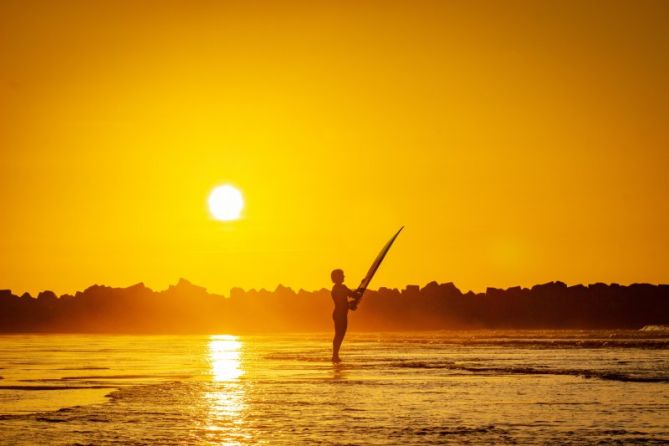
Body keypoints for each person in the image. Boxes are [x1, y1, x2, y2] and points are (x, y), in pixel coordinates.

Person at [330, 269, 361, 363]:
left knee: (339, 335)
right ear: (337, 277)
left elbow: (352, 294)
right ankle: (335, 356)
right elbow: (352, 296)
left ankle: (335, 355)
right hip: (340, 314)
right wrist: (351, 305)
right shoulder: (339, 288)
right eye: (342, 275)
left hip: (340, 313)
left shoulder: (338, 288)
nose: (344, 276)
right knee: (339, 335)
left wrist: (351, 304)